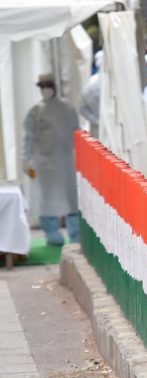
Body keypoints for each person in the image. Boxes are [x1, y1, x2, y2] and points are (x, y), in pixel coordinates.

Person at [23, 74, 80, 245]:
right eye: (43, 86)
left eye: (48, 85)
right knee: (46, 199)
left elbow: (77, 133)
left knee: (70, 199)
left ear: (54, 86)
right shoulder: (35, 111)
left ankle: (75, 235)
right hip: (43, 164)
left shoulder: (68, 108)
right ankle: (52, 236)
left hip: (66, 161)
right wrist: (26, 160)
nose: (46, 89)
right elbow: (28, 138)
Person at [80, 50, 102, 137]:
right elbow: (82, 108)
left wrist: (95, 121)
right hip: (98, 128)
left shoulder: (90, 83)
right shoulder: (91, 84)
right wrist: (96, 121)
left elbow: (82, 108)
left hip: (98, 126)